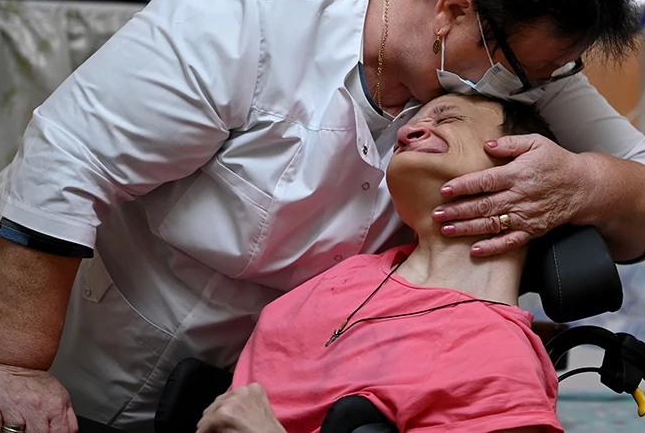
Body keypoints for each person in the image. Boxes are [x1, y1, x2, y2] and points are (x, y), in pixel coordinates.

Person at [0, 0, 645, 433]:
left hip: (220, 391)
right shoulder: (244, 17)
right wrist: (16, 363)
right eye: (521, 73)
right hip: (59, 337)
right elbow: (65, 162)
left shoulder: (513, 57)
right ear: (453, 15)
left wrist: (585, 181)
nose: (534, 90)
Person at [199, 93, 566, 433]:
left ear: (524, 166)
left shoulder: (498, 360)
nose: (406, 133)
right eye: (408, 128)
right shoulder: (348, 275)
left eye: (448, 119)